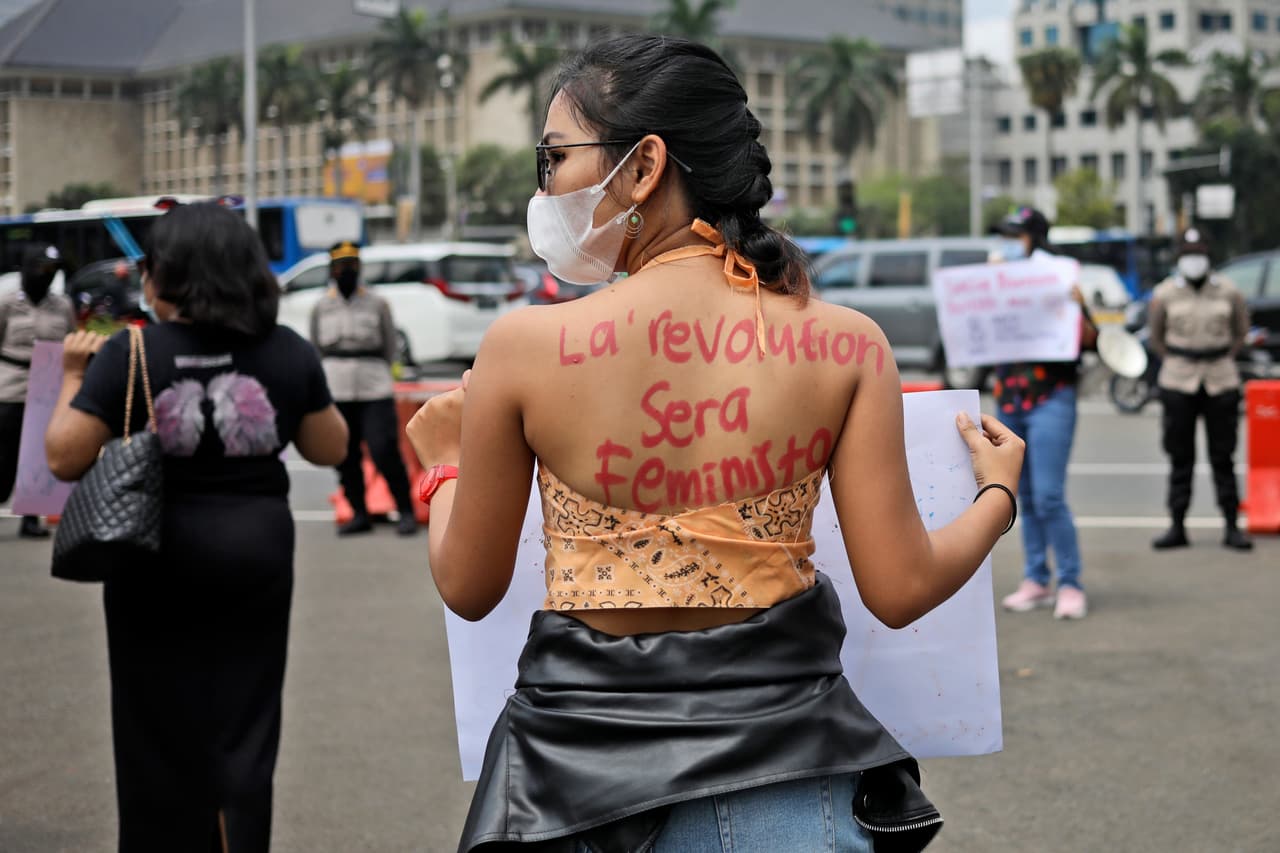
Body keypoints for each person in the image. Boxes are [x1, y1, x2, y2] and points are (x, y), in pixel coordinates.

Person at [405, 36, 1024, 852]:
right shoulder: (845, 344)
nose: (546, 185)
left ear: (643, 164)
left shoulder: (522, 348)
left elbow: (468, 582)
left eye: (554, 157)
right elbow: (901, 585)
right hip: (794, 788)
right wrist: (998, 494)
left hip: (577, 796)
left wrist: (444, 465)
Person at [45, 201, 348, 852]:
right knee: (245, 720)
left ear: (166, 277)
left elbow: (64, 456)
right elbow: (330, 447)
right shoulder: (286, 349)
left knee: (154, 721)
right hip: (257, 553)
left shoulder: (131, 352)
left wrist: (73, 375)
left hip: (154, 555)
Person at [992, 207, 1098, 621]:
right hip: (1011, 398)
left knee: (1050, 496)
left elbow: (1090, 340)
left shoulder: (1061, 278)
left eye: (1015, 236)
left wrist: (1076, 306)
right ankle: (1036, 579)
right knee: (1027, 499)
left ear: (1034, 238)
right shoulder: (997, 279)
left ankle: (1070, 583)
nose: (1008, 243)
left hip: (1051, 396)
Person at [1149, 227, 1253, 551]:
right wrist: (1179, 359)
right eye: (1188, 252)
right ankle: (1177, 525)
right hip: (1178, 378)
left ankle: (1232, 526)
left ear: (1208, 254)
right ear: (1179, 256)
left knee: (1223, 455)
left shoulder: (1228, 291)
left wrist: (1222, 356)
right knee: (1181, 456)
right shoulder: (1165, 293)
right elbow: (1157, 337)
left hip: (1221, 377)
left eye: (1199, 251)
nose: (1194, 258)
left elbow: (1241, 331)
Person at [310, 242, 417, 537]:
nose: (348, 271)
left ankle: (405, 510)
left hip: (373, 386)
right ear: (332, 270)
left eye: (352, 265)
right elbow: (318, 347)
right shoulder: (321, 306)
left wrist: (381, 371)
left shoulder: (377, 303)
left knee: (384, 449)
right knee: (345, 454)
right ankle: (359, 513)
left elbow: (389, 346)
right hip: (337, 387)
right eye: (342, 266)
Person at [0, 243, 76, 537]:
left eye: (52, 270)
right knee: (4, 455)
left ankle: (31, 518)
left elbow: (72, 343)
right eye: (42, 268)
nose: (46, 275)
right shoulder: (7, 303)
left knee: (36, 456)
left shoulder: (62, 306)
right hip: (10, 387)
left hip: (47, 388)